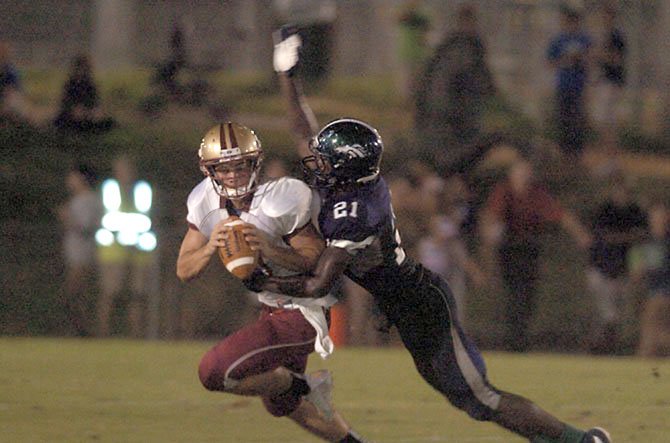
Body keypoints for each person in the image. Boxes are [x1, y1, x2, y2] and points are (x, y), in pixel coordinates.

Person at [261, 27, 612, 443]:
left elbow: (322, 280)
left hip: (422, 306)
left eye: (324, 159)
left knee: (481, 398)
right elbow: (303, 130)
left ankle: (580, 440)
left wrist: (259, 275)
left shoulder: (355, 210)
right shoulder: (349, 183)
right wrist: (289, 74)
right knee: (469, 398)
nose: (314, 161)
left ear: (344, 166)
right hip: (402, 300)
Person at [175, 122, 367, 443]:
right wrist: (211, 246)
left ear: (255, 164)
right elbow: (184, 268)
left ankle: (302, 384)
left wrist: (268, 246)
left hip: (303, 310)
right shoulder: (204, 201)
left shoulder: (283, 196)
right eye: (224, 168)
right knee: (285, 405)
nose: (233, 175)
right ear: (209, 170)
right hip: (270, 308)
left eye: (241, 165)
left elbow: (314, 260)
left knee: (214, 371)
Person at [480, 157, 591, 352]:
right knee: (513, 293)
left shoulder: (536, 194)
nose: (525, 177)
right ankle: (511, 338)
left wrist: (580, 234)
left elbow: (559, 214)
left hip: (528, 249)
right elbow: (491, 218)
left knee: (527, 294)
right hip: (508, 249)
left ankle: (520, 339)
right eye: (521, 173)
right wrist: (489, 244)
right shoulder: (503, 191)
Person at [414, 3, 497, 174]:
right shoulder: (462, 49)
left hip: (446, 118)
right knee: (455, 162)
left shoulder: (451, 48)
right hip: (452, 121)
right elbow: (479, 83)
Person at [96, 154, 156, 337]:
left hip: (141, 252)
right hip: (113, 252)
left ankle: (136, 334)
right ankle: (103, 333)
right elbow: (105, 218)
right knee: (110, 293)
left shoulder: (143, 190)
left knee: (138, 295)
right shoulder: (110, 190)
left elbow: (151, 217)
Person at [586, 174, 647, 354]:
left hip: (623, 270)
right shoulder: (605, 210)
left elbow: (641, 239)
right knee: (605, 311)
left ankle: (614, 345)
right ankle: (598, 344)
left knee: (618, 313)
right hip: (602, 268)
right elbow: (604, 238)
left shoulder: (636, 212)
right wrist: (626, 237)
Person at [56, 164, 103, 336]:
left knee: (72, 295)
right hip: (75, 255)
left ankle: (82, 331)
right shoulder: (78, 200)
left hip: (82, 255)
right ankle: (80, 332)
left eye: (73, 176)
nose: (69, 180)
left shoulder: (89, 200)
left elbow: (85, 228)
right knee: (77, 295)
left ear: (82, 179)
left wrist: (66, 217)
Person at [546, 5, 592, 158]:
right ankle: (564, 150)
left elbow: (592, 59)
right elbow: (550, 62)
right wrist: (565, 61)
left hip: (579, 85)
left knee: (577, 119)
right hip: (563, 84)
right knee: (563, 118)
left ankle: (577, 151)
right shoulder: (558, 40)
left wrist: (581, 60)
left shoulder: (584, 39)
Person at [629, 203, 670, 358]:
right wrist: (640, 270)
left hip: (663, 296)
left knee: (650, 336)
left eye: (662, 216)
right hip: (652, 295)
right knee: (650, 337)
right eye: (655, 216)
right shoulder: (643, 243)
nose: (659, 220)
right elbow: (635, 275)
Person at [591, 4, 627, 145]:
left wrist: (600, 54)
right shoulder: (604, 35)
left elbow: (616, 60)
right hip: (604, 81)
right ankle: (608, 159)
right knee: (604, 122)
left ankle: (611, 160)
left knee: (607, 121)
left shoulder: (616, 36)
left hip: (612, 82)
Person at [54, 54, 115, 133]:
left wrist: (93, 110)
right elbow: (65, 102)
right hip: (72, 114)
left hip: (87, 113)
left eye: (84, 69)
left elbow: (95, 102)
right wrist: (73, 109)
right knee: (65, 121)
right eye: (80, 68)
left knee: (105, 121)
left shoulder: (91, 85)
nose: (82, 71)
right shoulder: (70, 84)